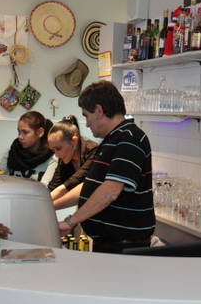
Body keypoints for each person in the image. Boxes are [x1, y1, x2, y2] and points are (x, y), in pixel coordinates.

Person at [54, 80, 155, 253]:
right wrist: (51, 205)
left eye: (86, 115)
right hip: (110, 243)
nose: (86, 124)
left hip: (125, 245)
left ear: (99, 110)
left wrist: (71, 221)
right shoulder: (111, 139)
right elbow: (90, 186)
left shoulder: (129, 138)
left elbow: (110, 191)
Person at [46, 115, 98, 203]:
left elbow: (75, 181)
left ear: (74, 141)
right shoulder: (64, 158)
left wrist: (44, 202)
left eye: (58, 148)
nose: (56, 155)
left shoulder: (93, 151)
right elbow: (53, 186)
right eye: (53, 150)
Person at [7, 111, 54, 182]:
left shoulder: (52, 158)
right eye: (19, 132)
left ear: (40, 132)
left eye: (25, 132)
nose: (20, 137)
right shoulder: (13, 152)